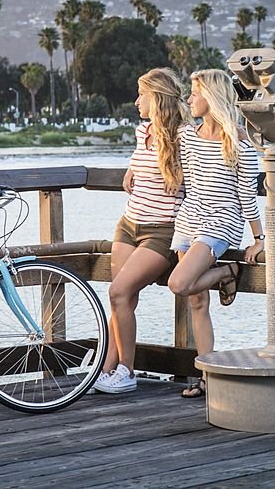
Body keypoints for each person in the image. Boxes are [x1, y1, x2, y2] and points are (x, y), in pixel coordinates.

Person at [166, 69, 264, 399]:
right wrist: (133, 169)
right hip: (189, 218)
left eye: (195, 94)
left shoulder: (239, 141)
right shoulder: (189, 137)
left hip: (220, 222)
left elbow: (246, 195)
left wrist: (258, 238)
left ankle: (228, 270)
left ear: (211, 97)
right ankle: (205, 377)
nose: (190, 100)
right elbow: (180, 174)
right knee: (195, 299)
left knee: (178, 283)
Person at [94, 68, 189, 394]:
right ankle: (107, 367)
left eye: (142, 95)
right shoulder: (142, 131)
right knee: (123, 298)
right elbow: (142, 164)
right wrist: (130, 169)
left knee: (118, 292)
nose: (136, 101)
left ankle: (127, 371)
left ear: (157, 98)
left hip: (162, 231)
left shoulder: (184, 137)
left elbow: (201, 180)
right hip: (129, 224)